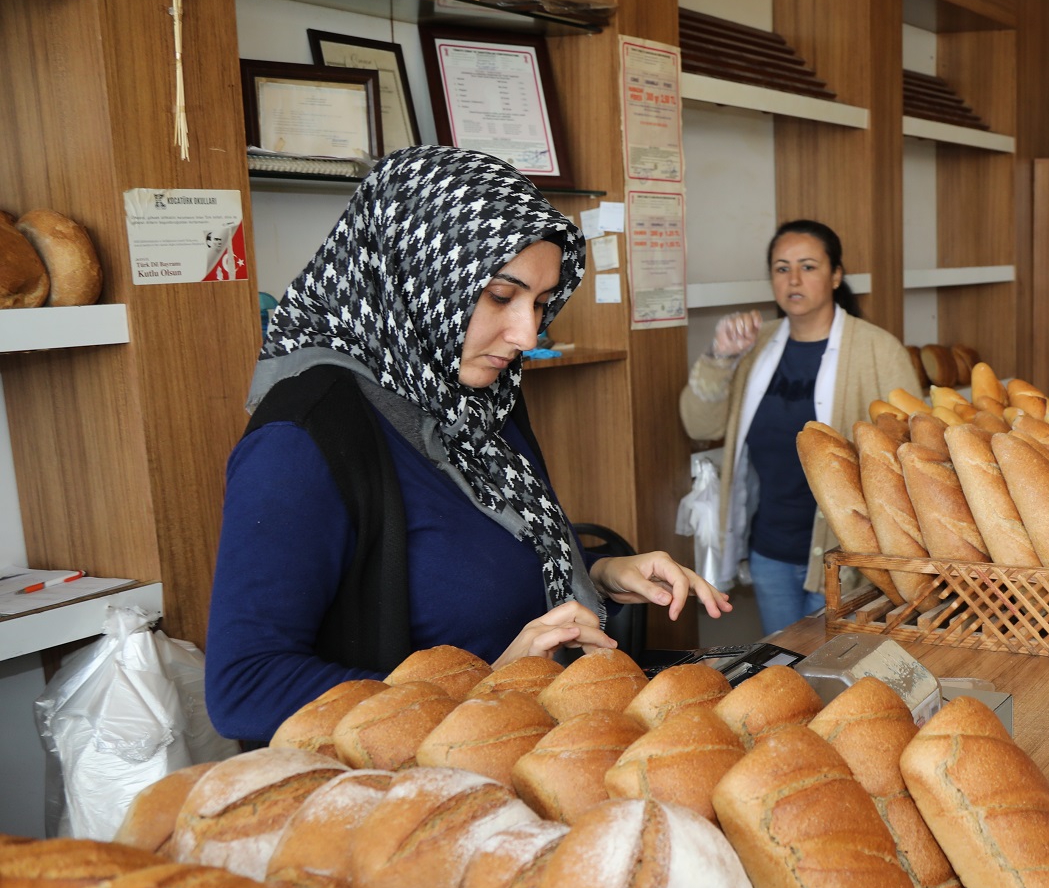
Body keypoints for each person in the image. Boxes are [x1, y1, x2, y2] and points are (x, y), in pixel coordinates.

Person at [208, 146, 728, 743]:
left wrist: (602, 571)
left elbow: (469, 555)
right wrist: (478, 690)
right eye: (502, 297)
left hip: (518, 750)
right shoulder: (301, 438)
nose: (527, 334)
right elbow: (244, 688)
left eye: (540, 302)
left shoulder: (474, 393)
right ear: (414, 273)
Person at [680, 219, 920, 632]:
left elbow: (911, 451)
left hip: (850, 557)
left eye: (808, 266)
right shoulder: (755, 346)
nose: (793, 278)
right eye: (781, 267)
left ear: (836, 275)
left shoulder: (878, 349)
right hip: (770, 550)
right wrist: (720, 357)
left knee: (843, 673)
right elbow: (697, 423)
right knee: (788, 670)